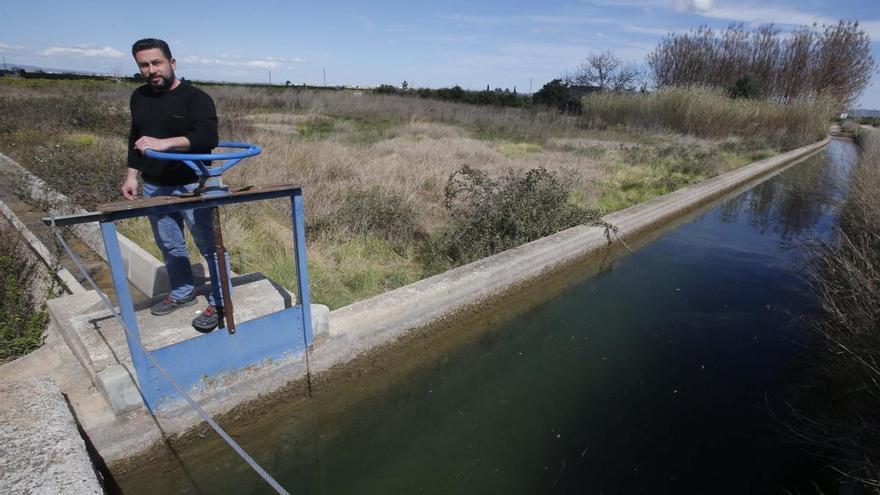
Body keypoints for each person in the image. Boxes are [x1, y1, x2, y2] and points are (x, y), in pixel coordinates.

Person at [123, 38, 226, 332]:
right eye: (144, 65)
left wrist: (165, 143)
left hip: (193, 184)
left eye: (157, 63)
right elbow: (136, 138)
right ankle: (182, 291)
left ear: (172, 63)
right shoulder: (139, 97)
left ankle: (220, 301)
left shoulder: (196, 98)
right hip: (155, 185)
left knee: (210, 244)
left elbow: (208, 138)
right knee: (169, 244)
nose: (151, 70)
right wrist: (132, 175)